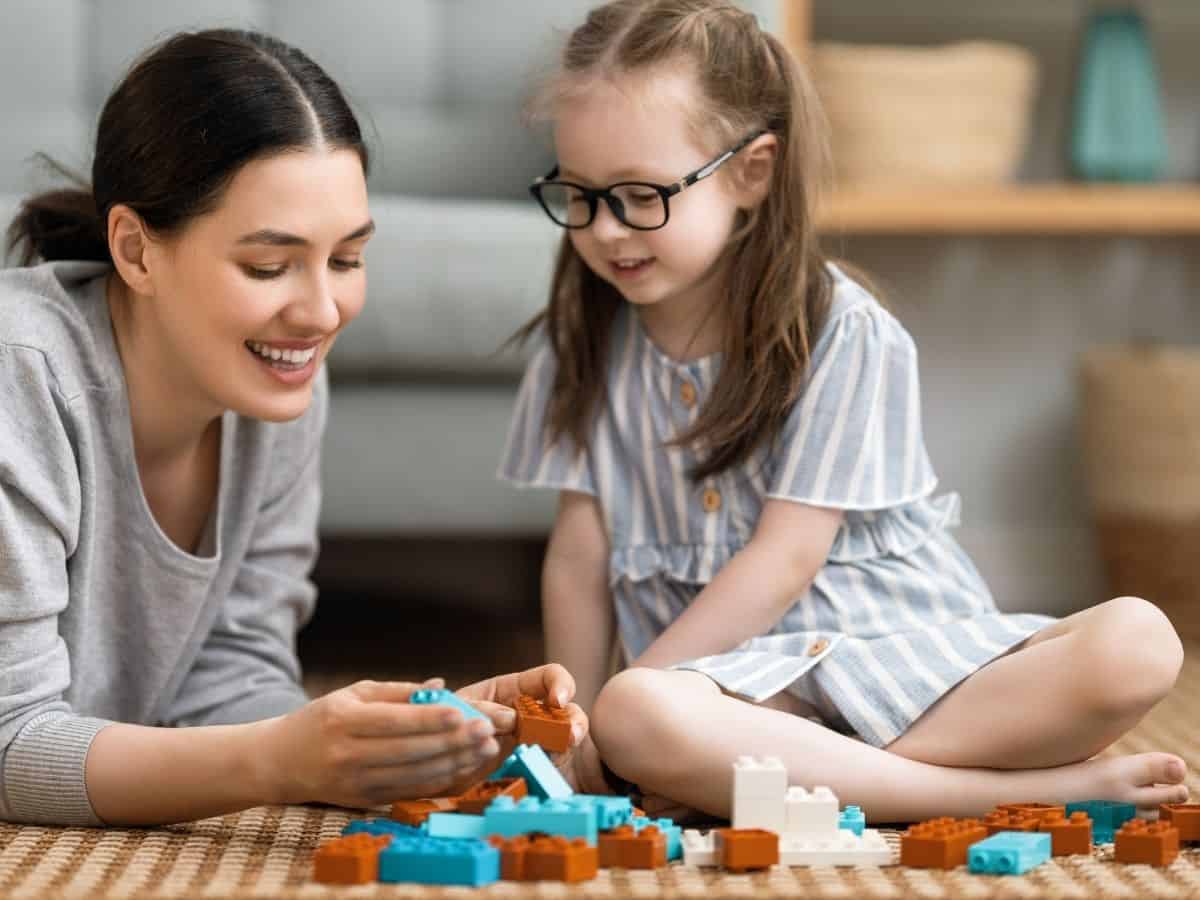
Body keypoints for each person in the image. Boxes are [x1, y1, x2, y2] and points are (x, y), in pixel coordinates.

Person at [499, 0, 1185, 822]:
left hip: (906, 664)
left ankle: (804, 777)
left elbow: (787, 557)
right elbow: (579, 555)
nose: (607, 229)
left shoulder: (843, 330)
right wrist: (578, 728)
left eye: (641, 194)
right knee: (643, 717)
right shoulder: (578, 343)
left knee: (1139, 642)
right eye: (579, 194)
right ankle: (1016, 791)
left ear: (752, 171)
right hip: (741, 697)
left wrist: (633, 702)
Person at [0, 28, 584, 828]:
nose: (318, 313)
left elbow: (230, 673)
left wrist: (410, 733)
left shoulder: (272, 374)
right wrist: (275, 760)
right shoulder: (19, 374)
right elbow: (8, 745)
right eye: (269, 267)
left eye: (346, 259)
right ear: (136, 250)